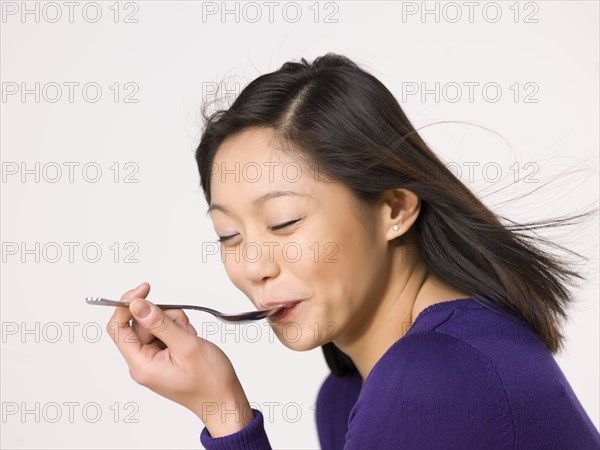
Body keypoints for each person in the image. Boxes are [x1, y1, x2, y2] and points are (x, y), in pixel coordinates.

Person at [106, 53, 600, 449]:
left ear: (393, 209)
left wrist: (226, 415)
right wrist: (219, 408)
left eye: (284, 222)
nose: (254, 266)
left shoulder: (436, 379)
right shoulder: (346, 394)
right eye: (229, 236)